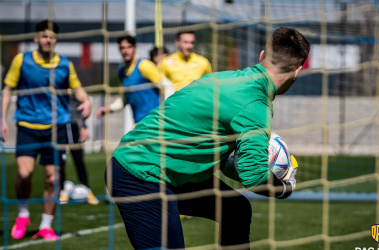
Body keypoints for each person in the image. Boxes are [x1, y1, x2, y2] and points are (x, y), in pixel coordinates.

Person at [105, 27, 310, 249]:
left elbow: (196, 134)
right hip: (139, 174)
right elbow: (254, 176)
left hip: (152, 162)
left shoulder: (221, 78)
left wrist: (232, 164)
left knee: (235, 209)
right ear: (297, 71)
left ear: (261, 55)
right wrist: (284, 188)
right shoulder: (255, 106)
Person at [2, 20, 91, 241]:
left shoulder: (65, 65)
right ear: (36, 38)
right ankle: (23, 214)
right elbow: (8, 88)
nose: (47, 40)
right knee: (24, 174)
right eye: (43, 36)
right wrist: (2, 119)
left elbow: (77, 88)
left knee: (53, 180)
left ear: (56, 40)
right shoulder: (22, 61)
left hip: (57, 128)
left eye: (51, 36)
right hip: (28, 126)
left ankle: (46, 225)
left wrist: (87, 101)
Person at [97, 35, 174, 125]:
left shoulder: (144, 65)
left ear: (135, 48)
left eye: (129, 47)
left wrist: (165, 112)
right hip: (138, 123)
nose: (125, 51)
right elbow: (124, 99)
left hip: (153, 121)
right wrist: (109, 108)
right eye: (122, 48)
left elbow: (168, 86)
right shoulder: (122, 73)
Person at [59, 94, 99, 205]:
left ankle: (87, 190)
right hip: (58, 125)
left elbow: (83, 105)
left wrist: (84, 127)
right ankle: (62, 191)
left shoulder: (74, 86)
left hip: (74, 125)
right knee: (59, 160)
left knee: (78, 159)